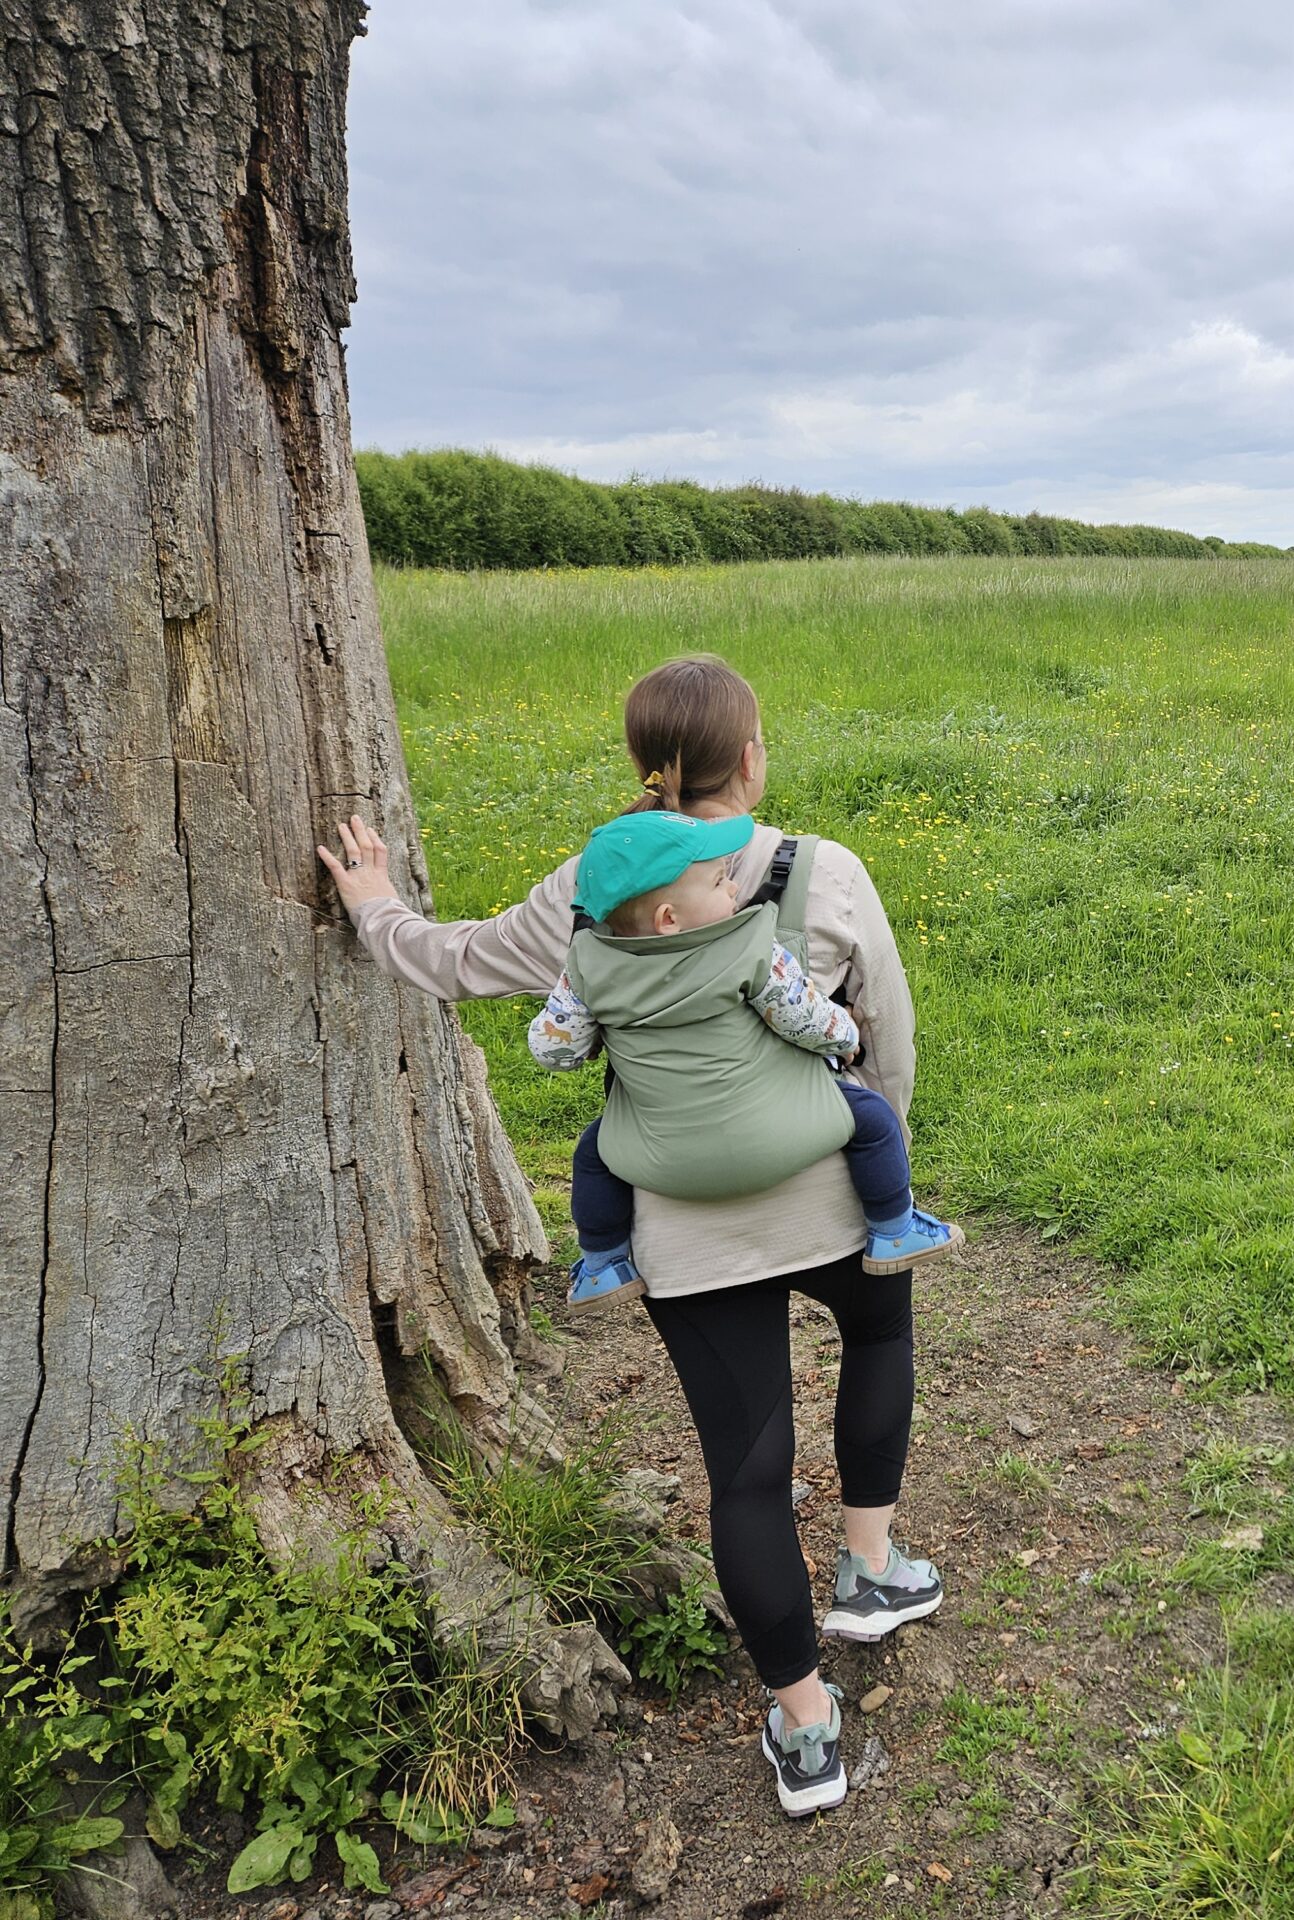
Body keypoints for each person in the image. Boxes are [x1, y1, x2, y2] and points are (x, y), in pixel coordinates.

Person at [317, 654, 940, 1817]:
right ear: (751, 758)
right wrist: (879, 1154)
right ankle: (870, 1567)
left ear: (645, 772)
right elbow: (885, 1031)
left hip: (682, 1229)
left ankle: (806, 1729)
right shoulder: (826, 870)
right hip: (828, 1193)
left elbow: (452, 964)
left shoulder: (590, 889)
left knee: (745, 1473)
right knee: (879, 1341)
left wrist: (370, 903)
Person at [528, 808, 960, 1311]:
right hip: (784, 1140)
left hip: (659, 1163)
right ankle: (895, 1229)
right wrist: (846, 1035)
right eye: (718, 881)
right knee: (873, 1119)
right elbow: (806, 1020)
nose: (734, 888)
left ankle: (603, 1263)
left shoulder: (586, 965)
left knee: (592, 1154)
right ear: (670, 918)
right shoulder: (753, 946)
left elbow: (555, 1052)